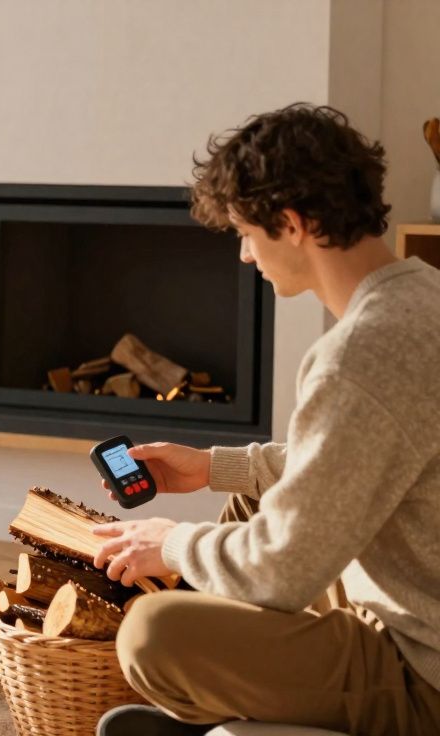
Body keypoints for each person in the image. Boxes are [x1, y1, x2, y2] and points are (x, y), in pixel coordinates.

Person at [91, 104, 440, 735]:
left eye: (247, 234)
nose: (246, 256)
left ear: (293, 224)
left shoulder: (360, 355)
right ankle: (236, 693)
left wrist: (170, 543)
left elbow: (283, 570)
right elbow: (362, 458)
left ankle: (221, 702)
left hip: (423, 670)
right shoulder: (424, 295)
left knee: (151, 634)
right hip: (418, 595)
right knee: (251, 496)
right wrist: (213, 467)